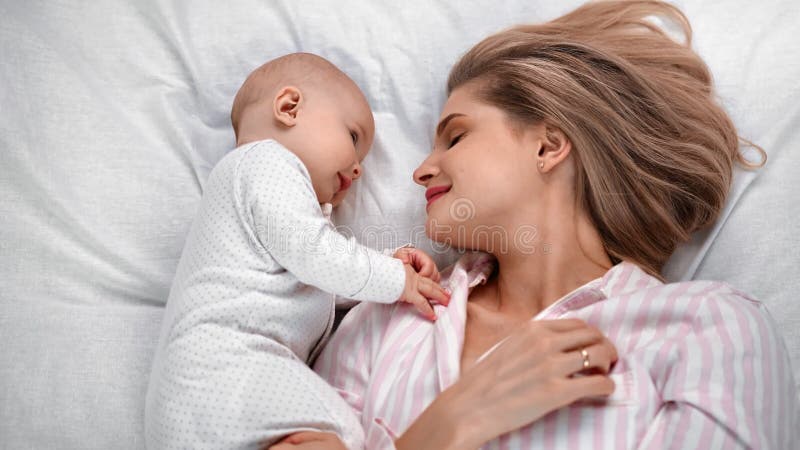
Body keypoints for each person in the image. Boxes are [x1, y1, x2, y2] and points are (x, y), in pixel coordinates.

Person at [271, 2, 799, 449]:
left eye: (455, 137)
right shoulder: (382, 324)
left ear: (548, 146)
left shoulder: (707, 329)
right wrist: (449, 425)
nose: (421, 169)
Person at [144, 53, 450, 449]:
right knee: (338, 436)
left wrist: (391, 263)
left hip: (209, 392)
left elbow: (310, 277)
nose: (358, 170)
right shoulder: (265, 163)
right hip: (225, 368)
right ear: (289, 108)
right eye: (353, 139)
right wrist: (394, 280)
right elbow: (313, 254)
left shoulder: (273, 202)